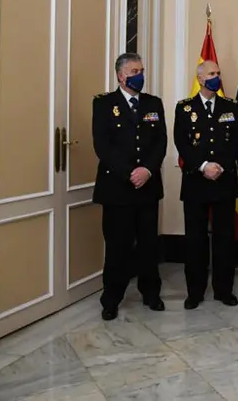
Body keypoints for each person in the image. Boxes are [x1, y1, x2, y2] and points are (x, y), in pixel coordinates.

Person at [92, 53, 167, 321]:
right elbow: (103, 145)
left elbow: (160, 142)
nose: (140, 75)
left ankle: (151, 293)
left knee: (149, 245)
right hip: (117, 188)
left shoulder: (153, 103)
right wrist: (129, 173)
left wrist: (147, 170)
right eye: (135, 70)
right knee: (117, 247)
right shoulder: (103, 104)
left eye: (142, 70)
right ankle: (111, 298)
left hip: (147, 186)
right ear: (121, 76)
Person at [174, 60, 238, 310]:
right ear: (200, 79)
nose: (216, 77)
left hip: (223, 181)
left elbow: (236, 141)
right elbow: (181, 143)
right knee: (195, 240)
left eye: (218, 73)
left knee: (225, 239)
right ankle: (195, 292)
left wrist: (220, 166)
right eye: (211, 74)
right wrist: (204, 166)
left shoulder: (230, 106)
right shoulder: (184, 108)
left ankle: (224, 290)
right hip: (195, 183)